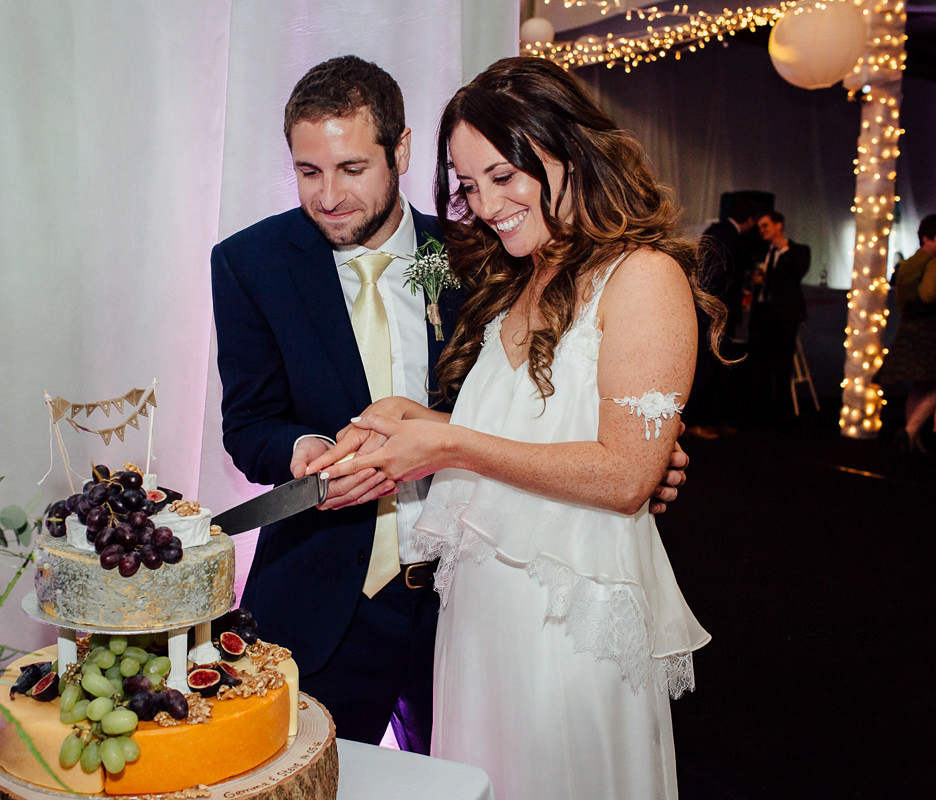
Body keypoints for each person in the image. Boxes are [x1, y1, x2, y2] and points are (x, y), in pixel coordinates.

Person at [210, 55, 687, 754]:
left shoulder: (474, 253)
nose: (329, 196)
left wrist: (645, 447)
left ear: (400, 151)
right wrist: (302, 451)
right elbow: (248, 424)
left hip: (462, 598)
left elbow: (574, 374)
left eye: (351, 169)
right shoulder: (251, 263)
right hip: (329, 604)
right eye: (308, 172)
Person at [685, 194, 759, 437]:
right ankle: (696, 423)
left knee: (712, 366)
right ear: (750, 219)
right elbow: (717, 277)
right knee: (708, 366)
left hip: (711, 309)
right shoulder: (730, 237)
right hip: (716, 312)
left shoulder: (715, 231)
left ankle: (705, 421)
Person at [875, 213, 936, 453]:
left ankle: (911, 439)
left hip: (908, 328)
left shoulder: (908, 263)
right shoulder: (933, 261)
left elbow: (901, 299)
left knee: (919, 386)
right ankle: (910, 431)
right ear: (929, 238)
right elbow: (929, 295)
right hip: (928, 330)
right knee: (932, 386)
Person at [747, 210, 810, 424]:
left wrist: (783, 248)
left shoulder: (798, 251)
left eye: (765, 225)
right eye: (760, 227)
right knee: (760, 364)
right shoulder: (761, 253)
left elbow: (798, 272)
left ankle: (782, 415)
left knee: (783, 365)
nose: (762, 231)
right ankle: (760, 412)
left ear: (778, 225)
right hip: (762, 314)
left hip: (784, 316)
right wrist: (754, 282)